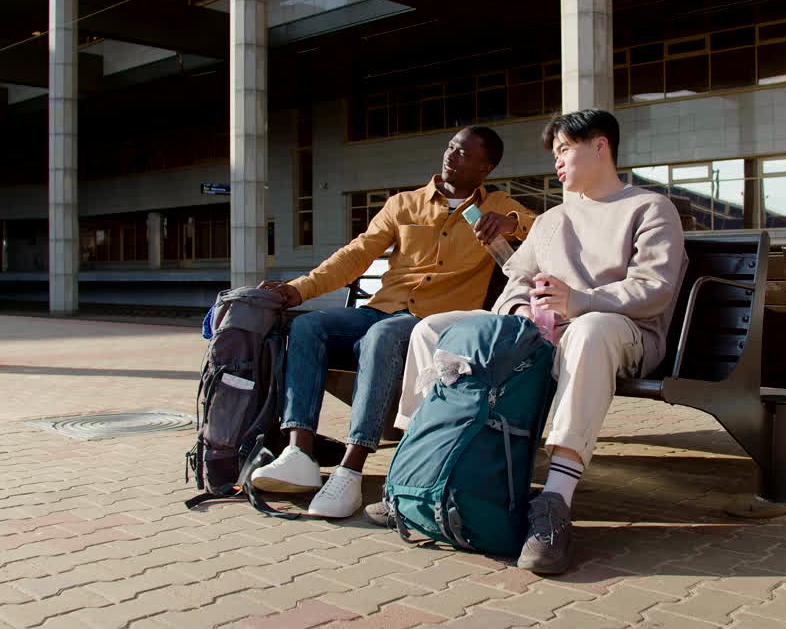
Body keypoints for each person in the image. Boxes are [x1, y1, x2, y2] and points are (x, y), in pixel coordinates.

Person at [369, 109, 685, 574]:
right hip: (543, 332)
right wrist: (522, 313)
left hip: (624, 331)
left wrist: (579, 301)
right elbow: (516, 285)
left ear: (600, 146)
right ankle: (416, 468)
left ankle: (555, 501)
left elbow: (653, 287)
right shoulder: (552, 219)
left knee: (589, 330)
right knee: (432, 328)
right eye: (553, 153)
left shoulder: (649, 208)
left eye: (563, 150)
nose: (556, 162)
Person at [251, 125, 536, 519]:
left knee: (382, 336)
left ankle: (351, 469)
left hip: (433, 324)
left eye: (465, 153)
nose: (451, 155)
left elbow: (542, 227)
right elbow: (355, 255)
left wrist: (509, 223)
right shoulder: (405, 203)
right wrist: (297, 290)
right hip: (379, 310)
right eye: (451, 147)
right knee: (307, 326)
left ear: (485, 167)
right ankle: (299, 452)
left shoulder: (499, 205)